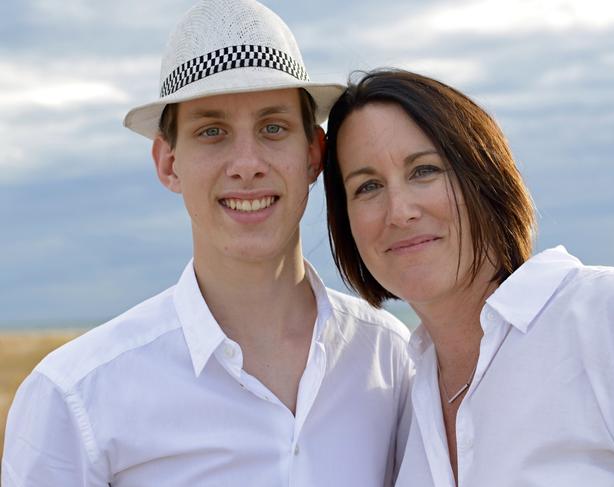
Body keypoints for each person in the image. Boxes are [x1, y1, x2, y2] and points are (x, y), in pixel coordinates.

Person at [1, 5, 412, 486]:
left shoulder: (391, 358)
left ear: (313, 154)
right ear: (168, 163)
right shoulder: (75, 396)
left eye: (272, 127)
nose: (246, 163)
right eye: (211, 132)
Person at [323, 68, 614, 486]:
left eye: (424, 170)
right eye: (367, 186)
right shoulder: (399, 404)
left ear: (485, 176)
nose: (399, 211)